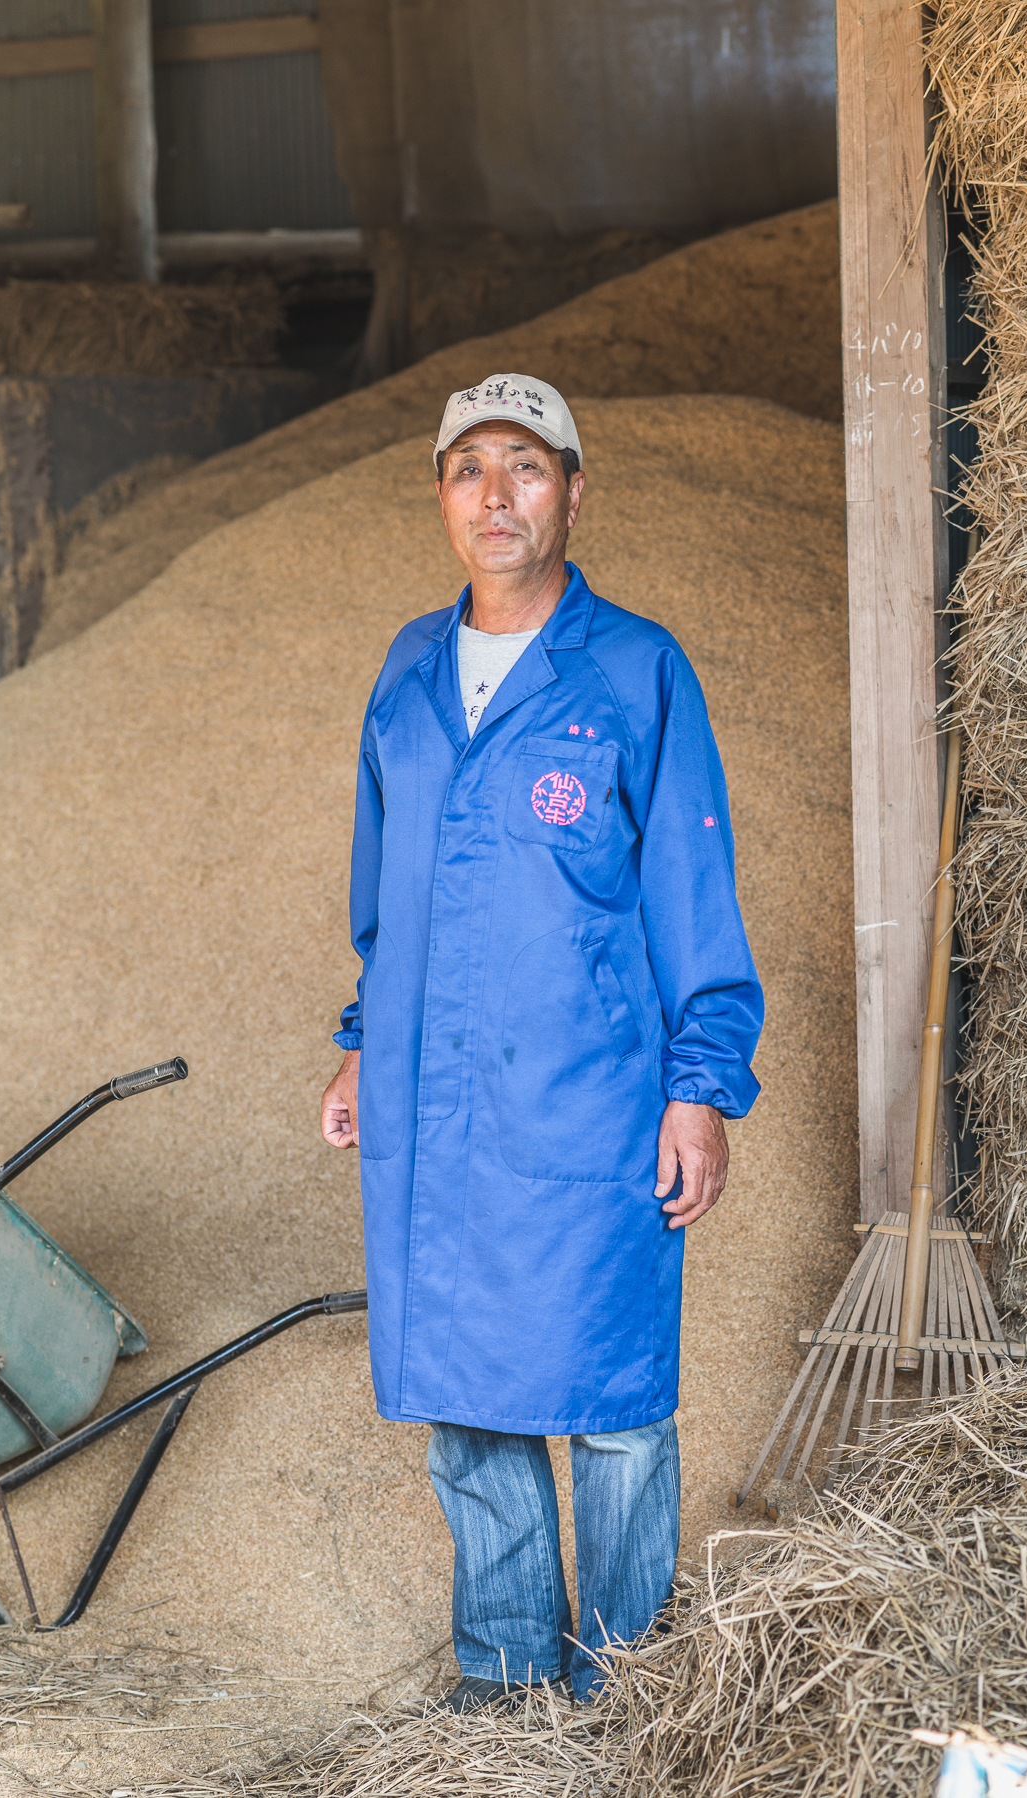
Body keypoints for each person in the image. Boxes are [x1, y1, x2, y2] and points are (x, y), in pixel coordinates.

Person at [321, 373, 763, 1710]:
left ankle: (624, 1689)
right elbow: (384, 892)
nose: (496, 495)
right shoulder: (406, 671)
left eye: (526, 465)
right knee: (469, 1394)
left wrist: (703, 1085)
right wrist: (358, 1038)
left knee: (615, 1400)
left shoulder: (634, 669)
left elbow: (695, 894)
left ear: (575, 491)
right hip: (435, 1099)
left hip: (591, 1107)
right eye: (469, 469)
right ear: (443, 497)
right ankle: (508, 1687)